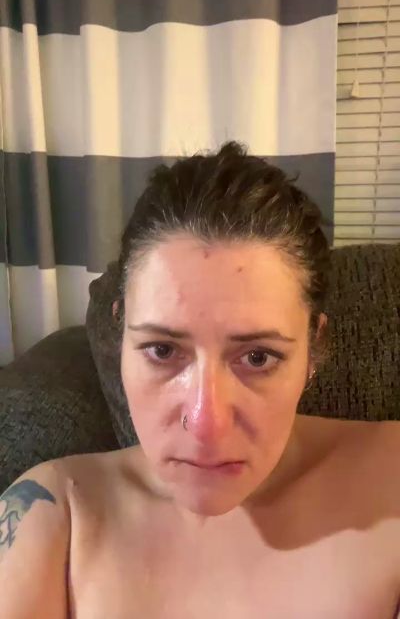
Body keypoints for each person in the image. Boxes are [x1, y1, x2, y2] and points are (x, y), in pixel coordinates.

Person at [1, 141, 400, 618]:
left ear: (313, 350)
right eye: (163, 350)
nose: (207, 423)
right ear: (121, 334)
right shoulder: (52, 514)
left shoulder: (391, 482)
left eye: (257, 357)